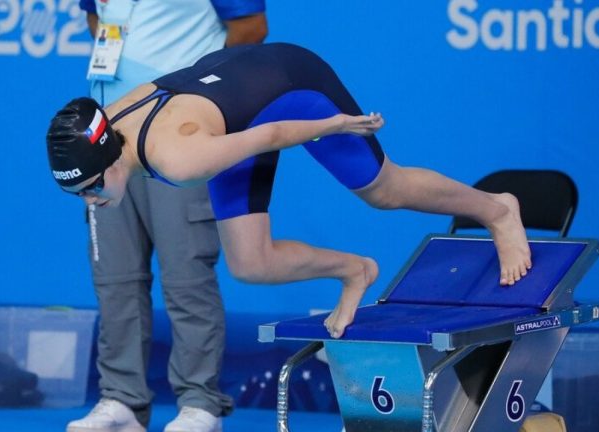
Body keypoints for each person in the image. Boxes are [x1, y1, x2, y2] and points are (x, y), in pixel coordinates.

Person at [46, 42, 531, 343]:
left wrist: (335, 125)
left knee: (384, 189)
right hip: (228, 110)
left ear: (112, 160)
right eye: (78, 194)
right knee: (250, 263)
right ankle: (355, 270)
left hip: (291, 85)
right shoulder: (108, 121)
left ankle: (497, 210)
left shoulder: (178, 158)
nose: (91, 201)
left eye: (92, 187)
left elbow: (272, 135)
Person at [68, 2, 267, 432]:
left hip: (178, 133)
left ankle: (200, 403)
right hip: (107, 133)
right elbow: (95, 17)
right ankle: (121, 399)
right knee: (115, 277)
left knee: (186, 275)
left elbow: (251, 27)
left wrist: (193, 93)